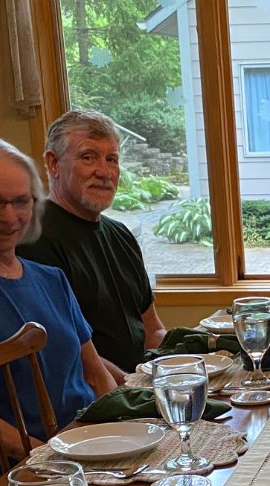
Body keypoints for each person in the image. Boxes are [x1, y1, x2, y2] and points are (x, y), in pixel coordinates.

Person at [0, 136, 116, 464]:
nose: (10, 216)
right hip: (21, 465)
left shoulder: (51, 278)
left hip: (84, 443)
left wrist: (122, 430)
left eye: (21, 201)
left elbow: (96, 374)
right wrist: (44, 453)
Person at [19, 109, 167, 379]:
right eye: (88, 157)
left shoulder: (120, 235)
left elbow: (153, 331)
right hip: (92, 401)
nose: (104, 172)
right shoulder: (32, 240)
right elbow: (68, 352)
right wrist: (134, 389)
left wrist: (186, 369)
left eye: (112, 159)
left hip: (138, 385)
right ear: (53, 164)